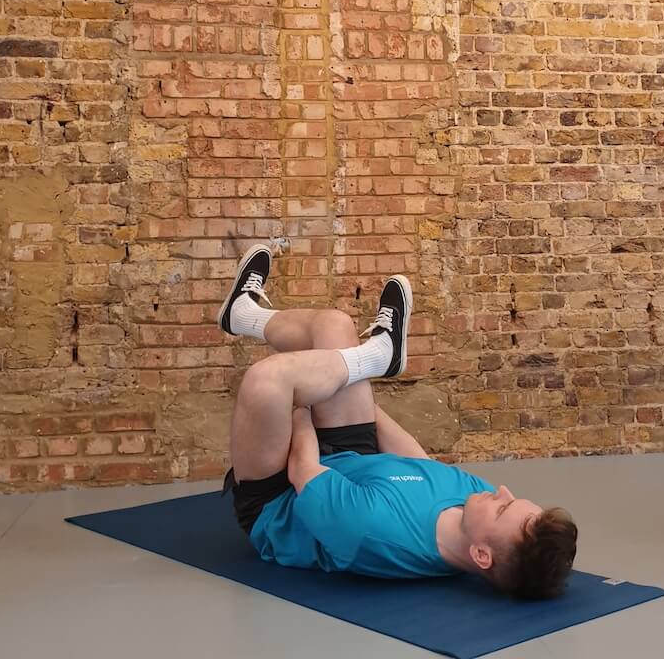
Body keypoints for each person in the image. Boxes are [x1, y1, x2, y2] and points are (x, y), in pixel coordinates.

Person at [218, 243, 578, 599]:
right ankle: (243, 313)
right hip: (353, 460)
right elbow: (417, 464)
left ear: (481, 555)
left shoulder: (376, 532)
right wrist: (343, 385)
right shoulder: (475, 499)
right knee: (334, 325)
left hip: (280, 495)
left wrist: (302, 400)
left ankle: (376, 357)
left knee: (267, 382)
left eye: (503, 508)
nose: (502, 492)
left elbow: (302, 468)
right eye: (513, 498)